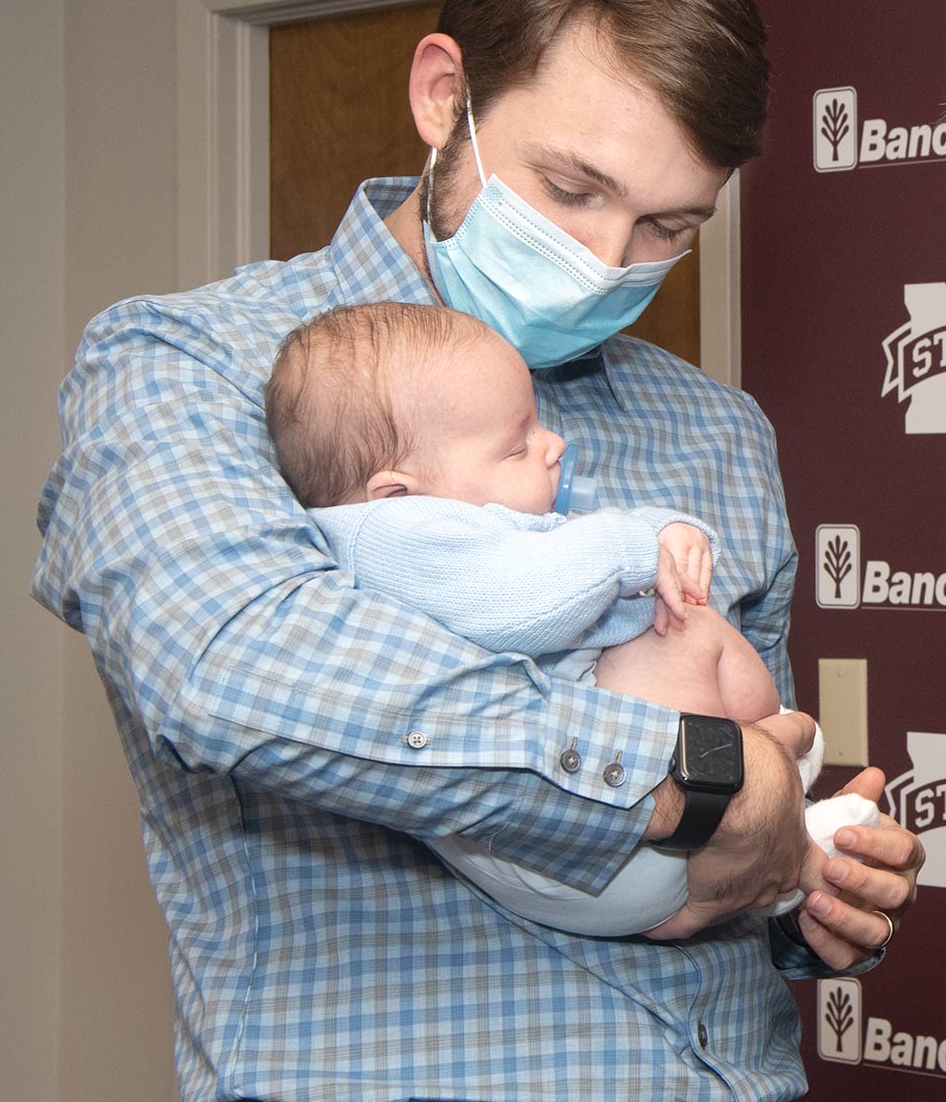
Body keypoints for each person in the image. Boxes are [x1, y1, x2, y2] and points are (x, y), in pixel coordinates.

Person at [32, 0, 921, 1102]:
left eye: (669, 228)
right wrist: (695, 774)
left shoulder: (715, 429)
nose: (610, 261)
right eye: (574, 188)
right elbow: (235, 669)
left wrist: (802, 877)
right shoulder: (190, 363)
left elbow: (749, 814)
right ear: (445, 96)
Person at [264, 301, 879, 938]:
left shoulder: (428, 509)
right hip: (603, 852)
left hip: (650, 847)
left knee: (677, 619)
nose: (553, 446)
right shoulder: (392, 534)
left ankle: (800, 839)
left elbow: (563, 573)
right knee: (675, 631)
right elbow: (524, 604)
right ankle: (774, 784)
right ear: (396, 492)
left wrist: (663, 535)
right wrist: (633, 546)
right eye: (517, 446)